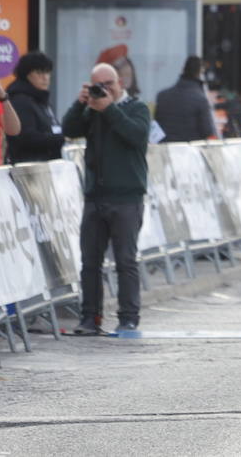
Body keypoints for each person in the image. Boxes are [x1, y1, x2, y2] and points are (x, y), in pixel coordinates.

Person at [62, 62, 152, 335]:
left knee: (125, 260)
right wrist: (80, 104)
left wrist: (108, 108)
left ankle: (128, 317)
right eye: (97, 85)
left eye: (108, 84)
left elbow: (136, 136)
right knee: (90, 262)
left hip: (126, 197)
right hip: (95, 196)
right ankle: (90, 318)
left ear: (120, 84)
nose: (104, 90)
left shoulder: (137, 108)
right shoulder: (92, 110)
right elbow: (69, 128)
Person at [4, 52, 66, 164]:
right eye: (39, 73)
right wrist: (63, 138)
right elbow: (26, 138)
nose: (45, 77)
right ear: (26, 74)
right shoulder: (20, 100)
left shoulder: (40, 98)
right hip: (28, 168)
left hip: (45, 164)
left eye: (47, 72)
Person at [153, 56, 218, 143]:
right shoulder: (200, 99)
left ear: (183, 70)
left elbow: (156, 127)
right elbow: (207, 131)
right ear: (199, 73)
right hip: (189, 151)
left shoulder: (162, 96)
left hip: (165, 150)